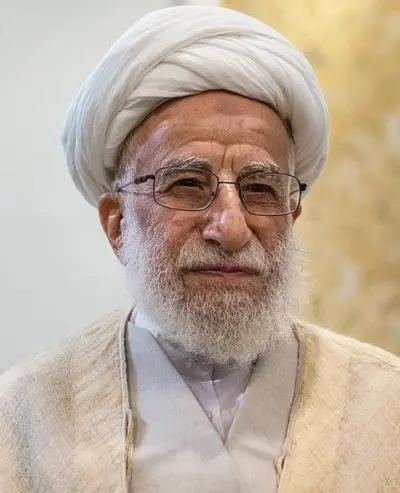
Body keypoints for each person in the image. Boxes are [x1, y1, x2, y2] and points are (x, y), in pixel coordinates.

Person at [0, 5, 399, 493]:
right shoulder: (23, 419)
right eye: (187, 184)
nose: (231, 228)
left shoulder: (387, 405)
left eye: (260, 189)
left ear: (291, 217)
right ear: (117, 223)